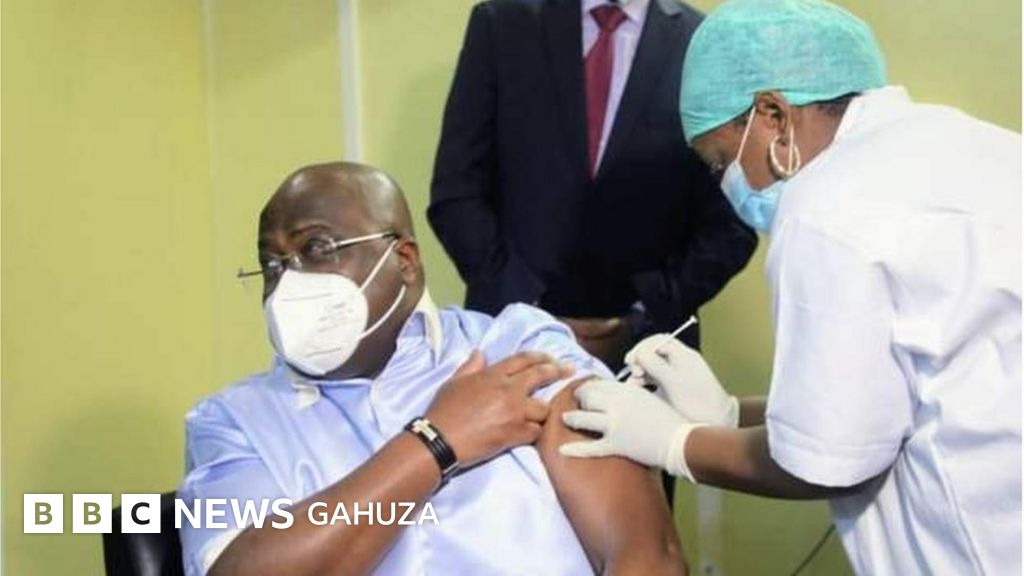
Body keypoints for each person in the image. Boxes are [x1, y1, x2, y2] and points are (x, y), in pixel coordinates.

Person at [557, 0, 1022, 574]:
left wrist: (674, 442)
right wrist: (733, 413)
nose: (725, 184)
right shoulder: (969, 144)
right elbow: (887, 393)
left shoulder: (826, 206)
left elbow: (825, 461)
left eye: (718, 162)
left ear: (773, 115)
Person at [178, 162, 685, 576]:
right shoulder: (234, 421)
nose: (288, 283)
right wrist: (435, 442)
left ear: (404, 260)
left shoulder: (515, 346)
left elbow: (644, 554)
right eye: (271, 265)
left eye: (316, 249)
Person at [429, 0, 757, 371]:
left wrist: (642, 314)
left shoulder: (705, 44)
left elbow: (732, 219)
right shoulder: (502, 24)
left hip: (652, 355)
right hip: (511, 346)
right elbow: (457, 190)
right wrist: (524, 309)